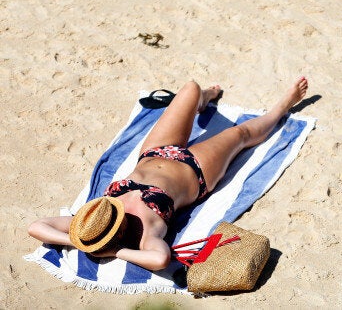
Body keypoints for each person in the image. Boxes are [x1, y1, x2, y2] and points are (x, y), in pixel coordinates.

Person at [28, 77, 309, 271]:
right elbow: (161, 259)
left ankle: (205, 99)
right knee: (240, 133)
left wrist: (78, 241)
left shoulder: (92, 221)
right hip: (197, 169)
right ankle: (283, 106)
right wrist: (113, 251)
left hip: (155, 152)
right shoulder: (144, 235)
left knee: (190, 88)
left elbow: (37, 226)